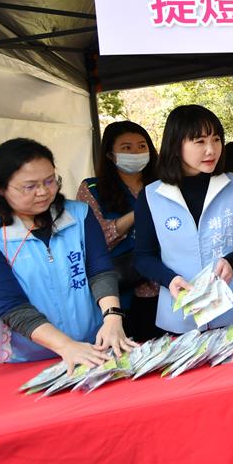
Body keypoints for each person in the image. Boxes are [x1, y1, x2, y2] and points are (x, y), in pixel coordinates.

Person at [0, 138, 135, 371]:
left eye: (50, 181)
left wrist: (112, 317)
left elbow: (100, 271)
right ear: (0, 188)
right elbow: (12, 306)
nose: (43, 192)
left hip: (95, 346)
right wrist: (66, 346)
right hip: (30, 360)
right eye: (30, 186)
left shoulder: (79, 215)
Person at [133, 105, 233, 333]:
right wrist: (169, 279)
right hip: (182, 315)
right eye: (200, 141)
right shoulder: (150, 196)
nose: (211, 150)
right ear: (176, 145)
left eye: (216, 140)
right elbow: (142, 256)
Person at [76, 121, 161, 342]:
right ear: (110, 155)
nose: (136, 152)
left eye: (142, 146)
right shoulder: (92, 188)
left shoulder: (163, 183)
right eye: (126, 148)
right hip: (122, 289)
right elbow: (95, 240)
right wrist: (138, 212)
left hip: (165, 283)